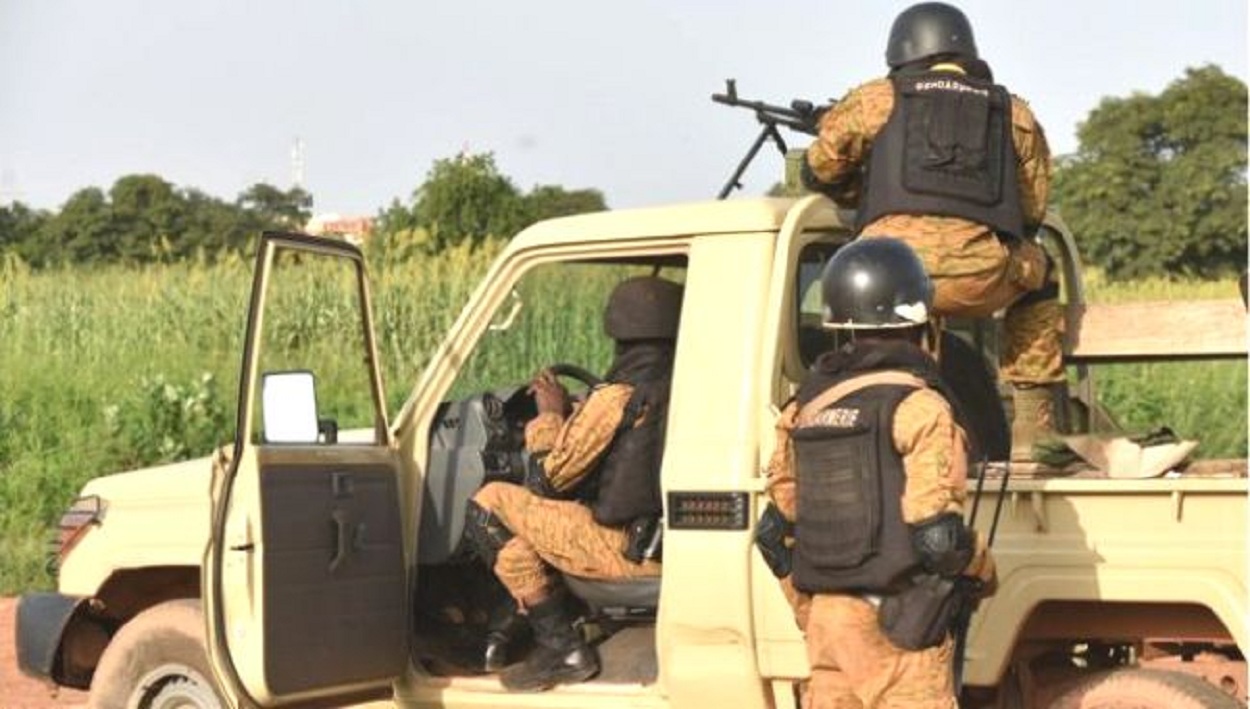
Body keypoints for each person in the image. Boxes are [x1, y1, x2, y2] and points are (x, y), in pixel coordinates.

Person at [800, 1, 1064, 461]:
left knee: (850, 285)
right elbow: (1032, 210)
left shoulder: (877, 98)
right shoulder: (1014, 112)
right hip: (979, 278)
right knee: (1043, 275)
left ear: (902, 53)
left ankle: (855, 399)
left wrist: (867, 188)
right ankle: (1032, 428)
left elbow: (817, 171)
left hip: (887, 280)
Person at [759, 238, 996, 708]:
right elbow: (938, 540)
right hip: (898, 628)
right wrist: (985, 573)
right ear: (922, 324)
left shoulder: (803, 408)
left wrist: (814, 610)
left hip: (828, 624)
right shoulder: (918, 406)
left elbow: (772, 534)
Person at [463, 275, 682, 692]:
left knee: (492, 502)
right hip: (668, 542)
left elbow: (546, 480)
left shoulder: (617, 398)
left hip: (622, 551)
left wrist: (551, 415)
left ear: (620, 332)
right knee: (533, 525)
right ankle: (531, 628)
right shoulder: (686, 384)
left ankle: (560, 646)